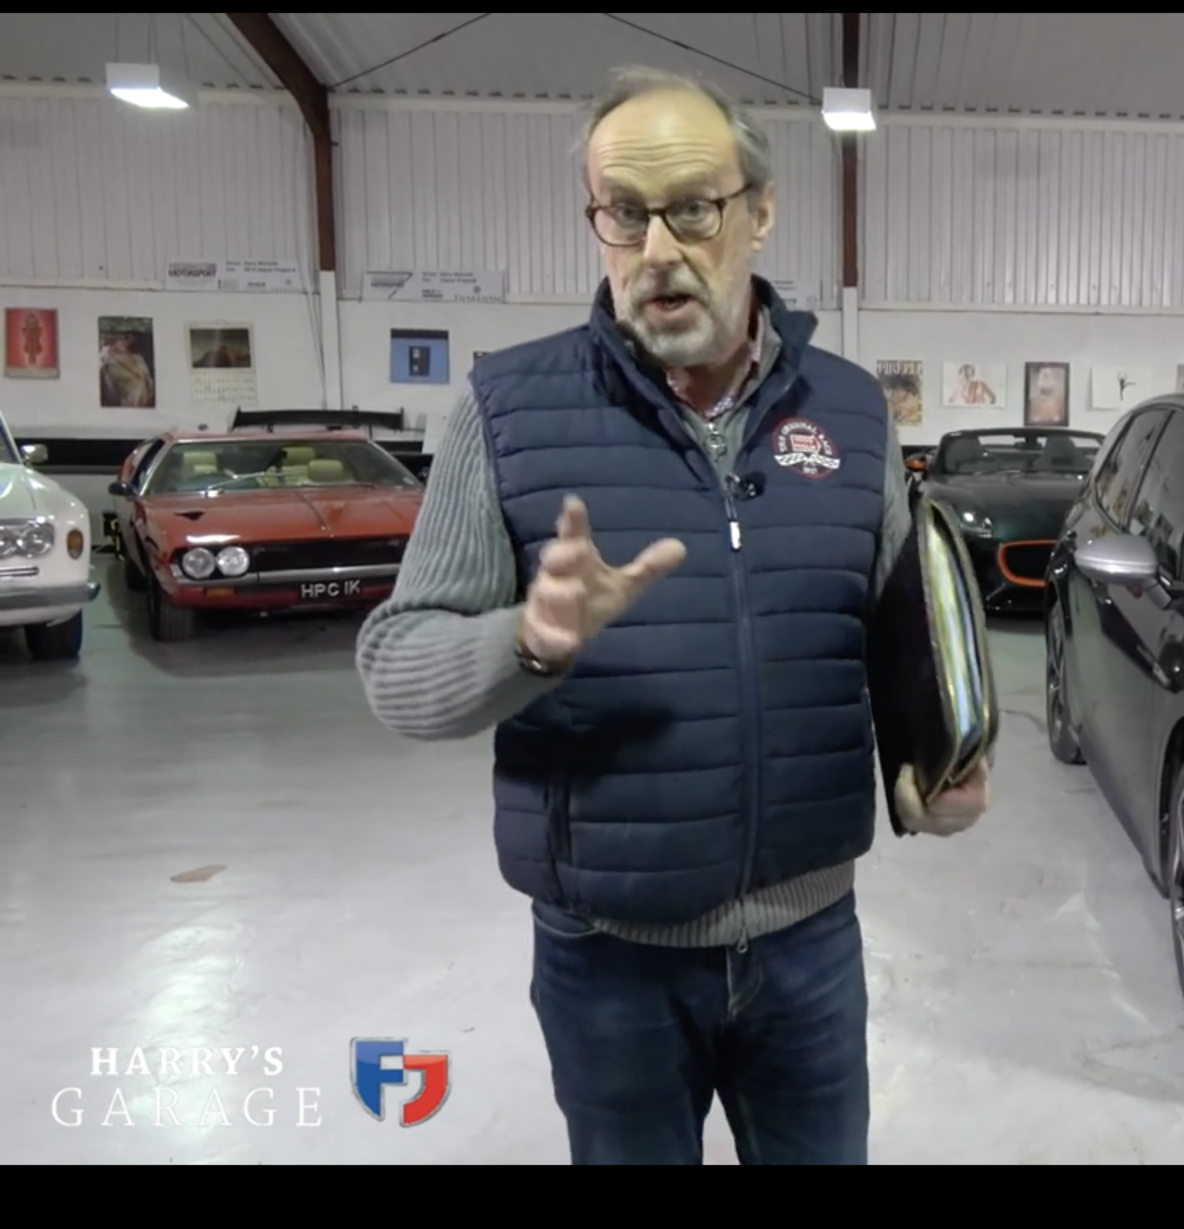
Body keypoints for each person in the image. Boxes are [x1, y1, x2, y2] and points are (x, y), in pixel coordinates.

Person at [354, 66, 990, 1166]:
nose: (656, 250)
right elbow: (397, 667)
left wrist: (936, 764)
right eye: (623, 213)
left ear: (758, 209)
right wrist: (528, 641)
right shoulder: (504, 411)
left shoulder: (849, 412)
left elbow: (895, 626)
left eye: (692, 207)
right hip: (609, 962)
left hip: (809, 950)